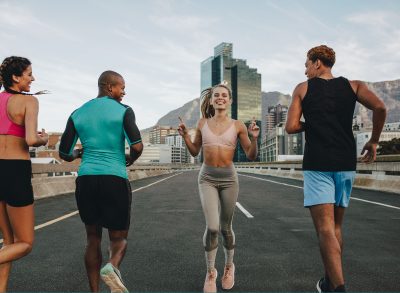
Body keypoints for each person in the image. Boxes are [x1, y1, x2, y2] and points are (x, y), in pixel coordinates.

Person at [285, 45, 387, 292]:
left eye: (307, 64)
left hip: (318, 164)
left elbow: (290, 127)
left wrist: (311, 124)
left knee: (325, 229)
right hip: (345, 163)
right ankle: (330, 282)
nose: (305, 69)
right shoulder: (355, 86)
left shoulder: (303, 88)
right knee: (336, 228)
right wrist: (373, 141)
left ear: (318, 63)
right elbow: (381, 108)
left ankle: (338, 288)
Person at [59, 70, 143, 293]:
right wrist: (130, 160)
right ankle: (112, 266)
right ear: (108, 87)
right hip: (114, 178)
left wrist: (78, 154)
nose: (124, 92)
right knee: (119, 239)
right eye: (121, 87)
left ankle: (94, 291)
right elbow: (137, 146)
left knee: (92, 238)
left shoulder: (77, 113)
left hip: (86, 180)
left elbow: (64, 152)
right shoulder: (123, 111)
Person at [178, 83, 259, 293]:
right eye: (217, 96)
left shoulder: (238, 125)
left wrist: (255, 138)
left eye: (224, 95)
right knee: (212, 227)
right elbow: (195, 152)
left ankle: (229, 265)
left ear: (230, 100)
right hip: (207, 178)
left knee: (225, 228)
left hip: (229, 179)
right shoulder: (202, 122)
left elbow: (251, 154)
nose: (220, 98)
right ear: (212, 100)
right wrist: (186, 136)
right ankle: (210, 271)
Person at [0, 56, 49, 292]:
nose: (33, 78)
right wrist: (44, 139)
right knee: (25, 243)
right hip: (14, 171)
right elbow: (30, 139)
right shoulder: (29, 102)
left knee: (8, 243)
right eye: (29, 74)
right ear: (16, 77)